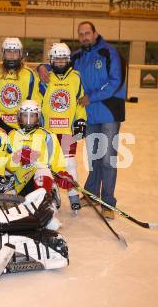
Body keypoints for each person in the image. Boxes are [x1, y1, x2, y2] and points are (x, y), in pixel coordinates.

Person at [37, 22, 126, 220]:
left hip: (109, 113)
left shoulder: (110, 52)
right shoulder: (77, 56)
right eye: (81, 34)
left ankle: (108, 202)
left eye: (88, 33)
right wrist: (41, 66)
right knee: (94, 157)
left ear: (95, 33)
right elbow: (58, 64)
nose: (84, 37)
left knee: (107, 159)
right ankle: (92, 195)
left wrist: (91, 97)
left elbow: (116, 81)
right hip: (88, 114)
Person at [40, 43, 87, 212]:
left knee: (69, 163)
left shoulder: (75, 77)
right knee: (49, 164)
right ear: (51, 60)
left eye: (63, 59)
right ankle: (53, 193)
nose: (60, 62)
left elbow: (80, 101)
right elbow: (38, 101)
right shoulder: (46, 78)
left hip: (67, 131)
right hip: (49, 132)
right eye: (56, 59)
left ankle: (73, 195)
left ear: (68, 59)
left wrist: (81, 120)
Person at [6, 100, 75, 207]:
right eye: (25, 115)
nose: (28, 120)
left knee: (43, 171)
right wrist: (18, 159)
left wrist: (61, 173)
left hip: (41, 176)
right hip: (20, 178)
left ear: (38, 117)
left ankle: (48, 195)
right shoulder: (12, 135)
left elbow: (56, 159)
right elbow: (8, 163)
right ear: (19, 117)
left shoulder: (47, 135)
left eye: (32, 116)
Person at [0, 38, 41, 133]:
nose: (12, 56)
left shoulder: (29, 74)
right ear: (3, 54)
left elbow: (34, 100)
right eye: (8, 52)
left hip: (22, 123)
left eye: (15, 52)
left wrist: (31, 124)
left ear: (20, 54)